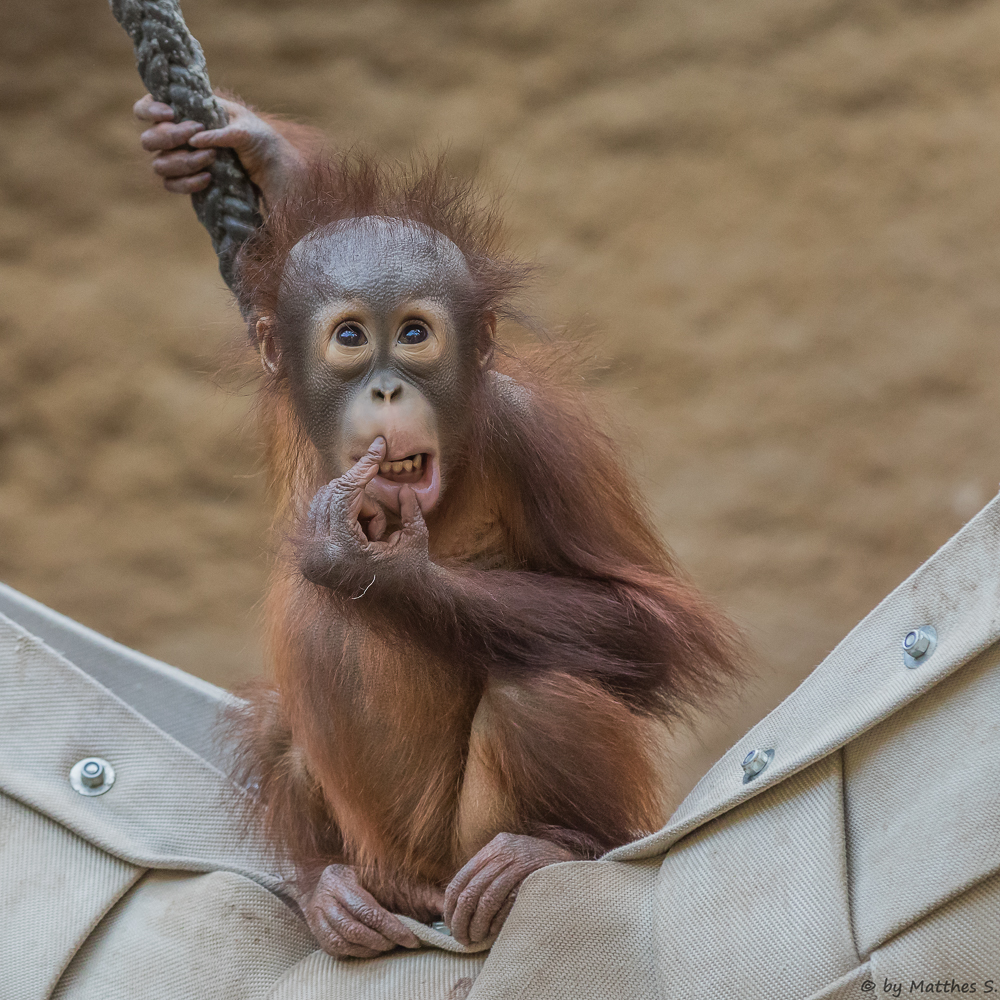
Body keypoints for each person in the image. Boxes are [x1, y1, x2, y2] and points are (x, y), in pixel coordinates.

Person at [1, 96, 997, 1000]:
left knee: (540, 697)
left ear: (478, 352)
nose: (383, 393)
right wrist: (276, 161)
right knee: (269, 730)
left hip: (505, 799)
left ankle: (548, 840)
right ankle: (344, 874)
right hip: (365, 821)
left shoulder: (519, 428)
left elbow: (658, 649)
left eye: (419, 345)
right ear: (278, 357)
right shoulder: (297, 404)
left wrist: (422, 590)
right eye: (349, 347)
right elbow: (330, 273)